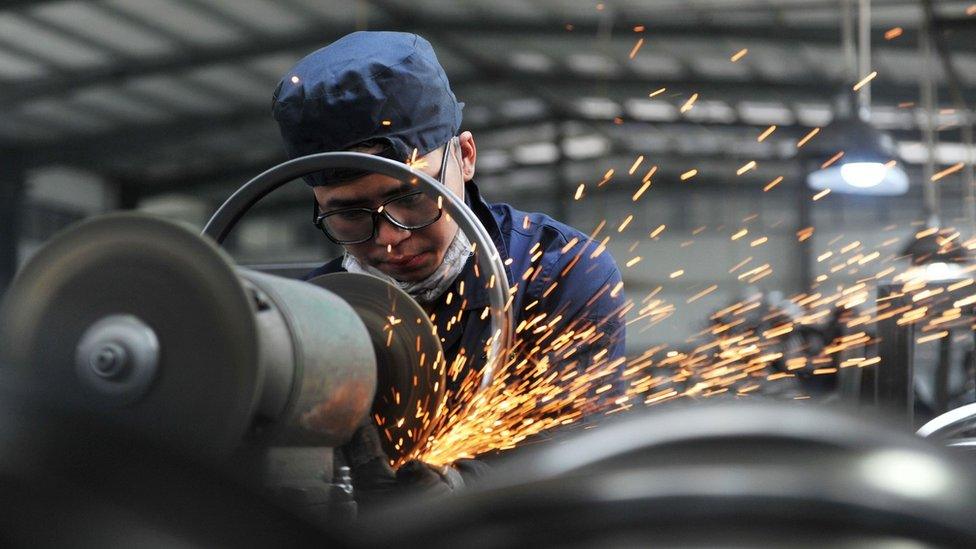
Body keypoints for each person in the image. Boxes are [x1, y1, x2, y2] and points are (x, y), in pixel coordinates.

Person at [271, 31, 626, 506]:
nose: (390, 238)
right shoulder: (308, 317)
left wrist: (460, 492)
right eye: (350, 214)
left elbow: (577, 456)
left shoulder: (557, 273)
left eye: (412, 198)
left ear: (465, 156)